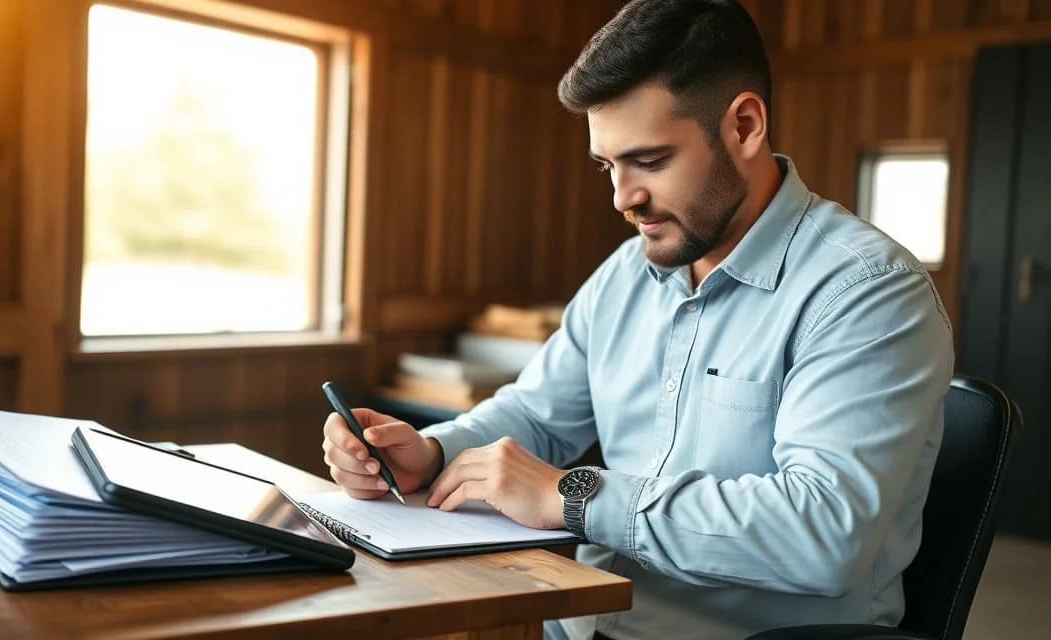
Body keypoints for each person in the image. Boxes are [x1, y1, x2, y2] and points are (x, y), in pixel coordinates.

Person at [320, 0, 954, 637]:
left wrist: (576, 495)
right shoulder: (628, 273)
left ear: (744, 125)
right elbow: (538, 415)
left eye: (649, 162)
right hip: (581, 624)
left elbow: (824, 534)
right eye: (608, 166)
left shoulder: (866, 292)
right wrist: (432, 454)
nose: (623, 197)